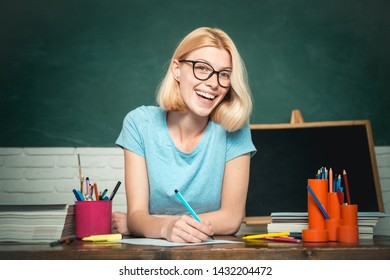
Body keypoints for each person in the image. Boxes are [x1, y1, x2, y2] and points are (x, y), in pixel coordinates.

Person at [113, 27, 256, 243]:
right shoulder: (139, 124)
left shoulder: (235, 128)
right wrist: (159, 226)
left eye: (224, 74)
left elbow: (231, 220)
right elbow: (136, 216)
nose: (213, 83)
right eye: (202, 68)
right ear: (177, 69)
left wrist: (155, 222)